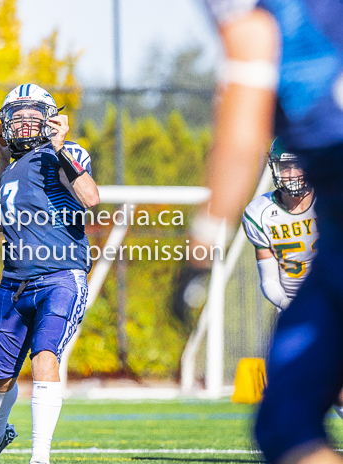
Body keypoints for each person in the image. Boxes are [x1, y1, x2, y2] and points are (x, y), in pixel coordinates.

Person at [173, 1, 343, 463]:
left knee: (287, 423)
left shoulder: (270, 22)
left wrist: (200, 248)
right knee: (285, 421)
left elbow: (242, 138)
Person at [0, 84, 99, 464]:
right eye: (18, 116)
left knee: (45, 355)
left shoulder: (64, 151)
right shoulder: (9, 165)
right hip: (14, 281)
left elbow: (91, 198)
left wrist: (60, 147)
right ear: (6, 122)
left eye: (33, 116)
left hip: (61, 275)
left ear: (49, 118)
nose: (26, 124)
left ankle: (39, 457)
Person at [243, 139, 317, 314]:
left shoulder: (331, 201)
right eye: (285, 167)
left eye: (298, 165)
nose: (292, 174)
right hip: (293, 306)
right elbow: (269, 280)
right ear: (275, 169)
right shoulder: (260, 214)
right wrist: (287, 305)